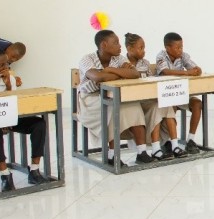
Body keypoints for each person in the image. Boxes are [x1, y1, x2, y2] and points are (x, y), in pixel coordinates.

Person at [0, 46, 51, 193]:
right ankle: (5, 174)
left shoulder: (9, 78)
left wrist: (8, 86)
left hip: (8, 117)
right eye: (0, 65)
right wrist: (0, 120)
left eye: (6, 64)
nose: (5, 68)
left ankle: (34, 170)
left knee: (39, 124)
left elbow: (12, 104)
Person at [78, 30, 153, 166]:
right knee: (113, 108)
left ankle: (142, 152)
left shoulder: (118, 58)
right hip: (90, 100)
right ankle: (112, 155)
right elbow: (98, 77)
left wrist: (110, 70)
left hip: (113, 95)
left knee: (134, 107)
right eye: (116, 43)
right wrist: (121, 74)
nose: (120, 46)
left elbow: (134, 74)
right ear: (104, 45)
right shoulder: (87, 59)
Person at [125, 32, 174, 160]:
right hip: (130, 100)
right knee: (150, 107)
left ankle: (157, 148)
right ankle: (155, 146)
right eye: (140, 48)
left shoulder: (145, 63)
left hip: (145, 99)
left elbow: (150, 81)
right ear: (129, 49)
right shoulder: (122, 63)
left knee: (161, 105)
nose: (144, 51)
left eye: (144, 48)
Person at [155, 32, 204, 154]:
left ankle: (190, 140)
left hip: (181, 93)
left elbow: (196, 69)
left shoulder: (183, 56)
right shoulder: (161, 56)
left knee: (197, 104)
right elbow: (166, 72)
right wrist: (187, 73)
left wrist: (197, 70)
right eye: (177, 47)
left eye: (181, 47)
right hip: (167, 95)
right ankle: (168, 142)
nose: (180, 50)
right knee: (170, 107)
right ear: (167, 48)